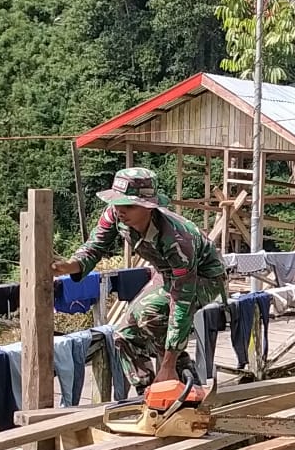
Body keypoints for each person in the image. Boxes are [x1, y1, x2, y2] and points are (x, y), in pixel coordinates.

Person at [52, 167, 228, 393]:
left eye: (129, 205)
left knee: (150, 314)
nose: (120, 210)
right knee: (124, 334)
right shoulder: (114, 214)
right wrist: (69, 266)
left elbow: (182, 302)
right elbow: (95, 247)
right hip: (166, 274)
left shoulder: (176, 239)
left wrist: (169, 363)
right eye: (117, 203)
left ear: (148, 206)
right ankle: (147, 391)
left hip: (204, 278)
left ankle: (181, 380)